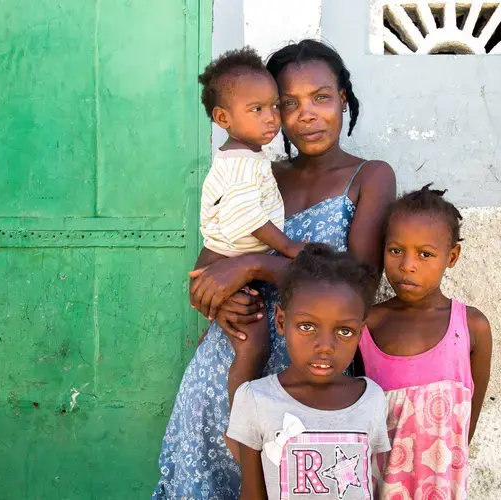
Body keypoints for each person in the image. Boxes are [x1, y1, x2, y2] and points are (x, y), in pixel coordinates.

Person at [153, 39, 396, 499]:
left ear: (343, 98)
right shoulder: (259, 172)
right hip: (220, 368)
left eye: (321, 97)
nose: (306, 113)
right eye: (288, 103)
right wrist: (214, 298)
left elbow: (359, 285)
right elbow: (210, 262)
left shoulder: (370, 176)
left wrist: (250, 266)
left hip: (302, 381)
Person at [357, 185, 493, 500]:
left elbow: (467, 418)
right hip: (382, 487)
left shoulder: (471, 327)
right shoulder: (368, 325)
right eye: (395, 250)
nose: (407, 265)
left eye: (425, 254)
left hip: (442, 486)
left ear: (452, 257)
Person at [227, 244, 390, 500]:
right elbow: (251, 493)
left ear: (360, 332)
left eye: (344, 331)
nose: (325, 347)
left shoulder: (371, 399)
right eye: (307, 326)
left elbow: (374, 487)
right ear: (281, 321)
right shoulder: (255, 400)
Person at [198, 46, 304, 259]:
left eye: (275, 105)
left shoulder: (242, 156)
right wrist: (289, 247)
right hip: (221, 263)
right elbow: (247, 214)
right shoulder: (241, 164)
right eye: (257, 109)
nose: (271, 117)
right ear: (223, 118)